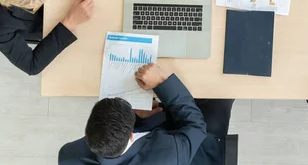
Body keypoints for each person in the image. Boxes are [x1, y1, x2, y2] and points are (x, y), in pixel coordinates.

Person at [59, 63, 235, 165]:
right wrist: (162, 82)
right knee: (220, 92)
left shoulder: (69, 155)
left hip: (155, 136)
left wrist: (139, 120)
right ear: (130, 136)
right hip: (193, 149)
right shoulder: (167, 155)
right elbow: (196, 127)